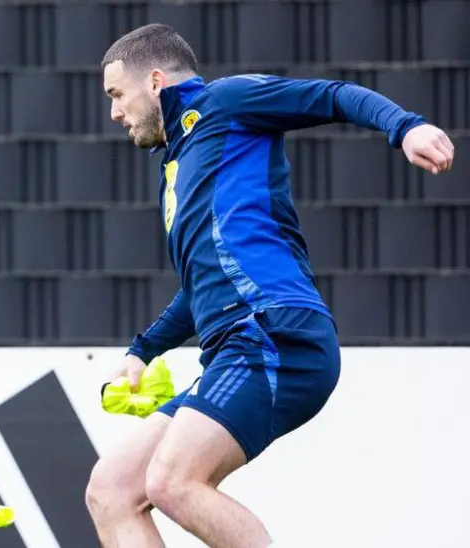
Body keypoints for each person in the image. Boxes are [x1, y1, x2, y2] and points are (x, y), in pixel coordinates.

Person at [85, 23, 454, 548]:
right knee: (112, 490)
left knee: (173, 481)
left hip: (275, 332)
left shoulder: (226, 102)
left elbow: (332, 95)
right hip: (237, 345)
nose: (114, 113)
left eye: (117, 95)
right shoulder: (180, 163)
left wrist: (405, 127)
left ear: (157, 81)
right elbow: (203, 286)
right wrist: (143, 350)